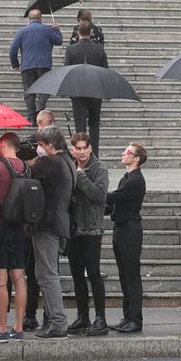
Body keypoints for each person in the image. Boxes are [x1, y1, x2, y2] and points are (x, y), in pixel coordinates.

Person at [0, 131, 29, 342]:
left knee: (0, 281)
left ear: (2, 145)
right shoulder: (27, 168)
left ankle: (1, 328)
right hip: (19, 228)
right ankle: (18, 328)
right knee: (19, 279)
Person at [29, 126, 76, 338]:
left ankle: (57, 322)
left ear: (49, 145)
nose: (39, 149)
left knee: (47, 274)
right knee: (46, 273)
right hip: (60, 222)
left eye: (40, 145)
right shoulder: (67, 161)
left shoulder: (50, 162)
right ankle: (53, 320)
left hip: (48, 224)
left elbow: (26, 172)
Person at [66, 132, 110, 336]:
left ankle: (100, 318)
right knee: (76, 275)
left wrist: (80, 176)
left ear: (90, 148)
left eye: (85, 148)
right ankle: (82, 316)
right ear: (72, 149)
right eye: (78, 148)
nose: (82, 152)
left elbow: (99, 195)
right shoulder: (70, 166)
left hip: (91, 227)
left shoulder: (98, 168)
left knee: (93, 273)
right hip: (73, 227)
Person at [106, 142, 148, 333]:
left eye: (128, 152)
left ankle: (135, 319)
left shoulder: (135, 180)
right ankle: (127, 316)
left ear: (136, 158)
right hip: (121, 228)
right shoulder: (127, 177)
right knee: (124, 275)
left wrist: (92, 191)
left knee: (131, 276)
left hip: (130, 230)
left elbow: (115, 198)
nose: (123, 154)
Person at [9, 9, 63, 126]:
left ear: (29, 19)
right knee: (45, 89)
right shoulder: (48, 30)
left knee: (29, 91)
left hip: (27, 65)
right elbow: (59, 41)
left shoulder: (22, 31)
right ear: (40, 18)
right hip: (44, 64)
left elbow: (13, 49)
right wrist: (56, 29)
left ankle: (31, 118)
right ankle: (40, 108)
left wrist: (15, 64)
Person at [64, 21, 108, 155]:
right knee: (94, 123)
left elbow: (67, 70)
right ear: (92, 33)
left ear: (78, 33)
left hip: (77, 90)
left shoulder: (71, 49)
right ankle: (94, 155)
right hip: (95, 89)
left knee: (80, 124)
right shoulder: (99, 49)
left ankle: (80, 152)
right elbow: (105, 70)